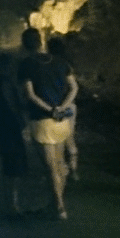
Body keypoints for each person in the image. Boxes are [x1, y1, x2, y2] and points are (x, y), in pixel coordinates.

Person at [18, 27, 77, 220]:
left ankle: (59, 207)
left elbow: (30, 94)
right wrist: (61, 108)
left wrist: (50, 110)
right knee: (59, 164)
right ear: (41, 41)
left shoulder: (26, 64)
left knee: (51, 167)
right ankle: (55, 204)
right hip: (61, 121)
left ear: (24, 45)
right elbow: (73, 87)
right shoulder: (60, 62)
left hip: (42, 121)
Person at [0, 53, 27, 216]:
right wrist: (21, 122)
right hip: (10, 128)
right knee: (13, 167)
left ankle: (12, 204)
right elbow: (11, 105)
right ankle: (13, 206)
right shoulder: (5, 83)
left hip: (2, 127)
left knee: (10, 167)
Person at [46, 35, 78, 180]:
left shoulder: (49, 65)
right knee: (69, 137)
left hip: (54, 105)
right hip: (69, 104)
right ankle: (73, 169)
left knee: (56, 140)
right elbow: (73, 87)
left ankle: (60, 170)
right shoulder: (67, 64)